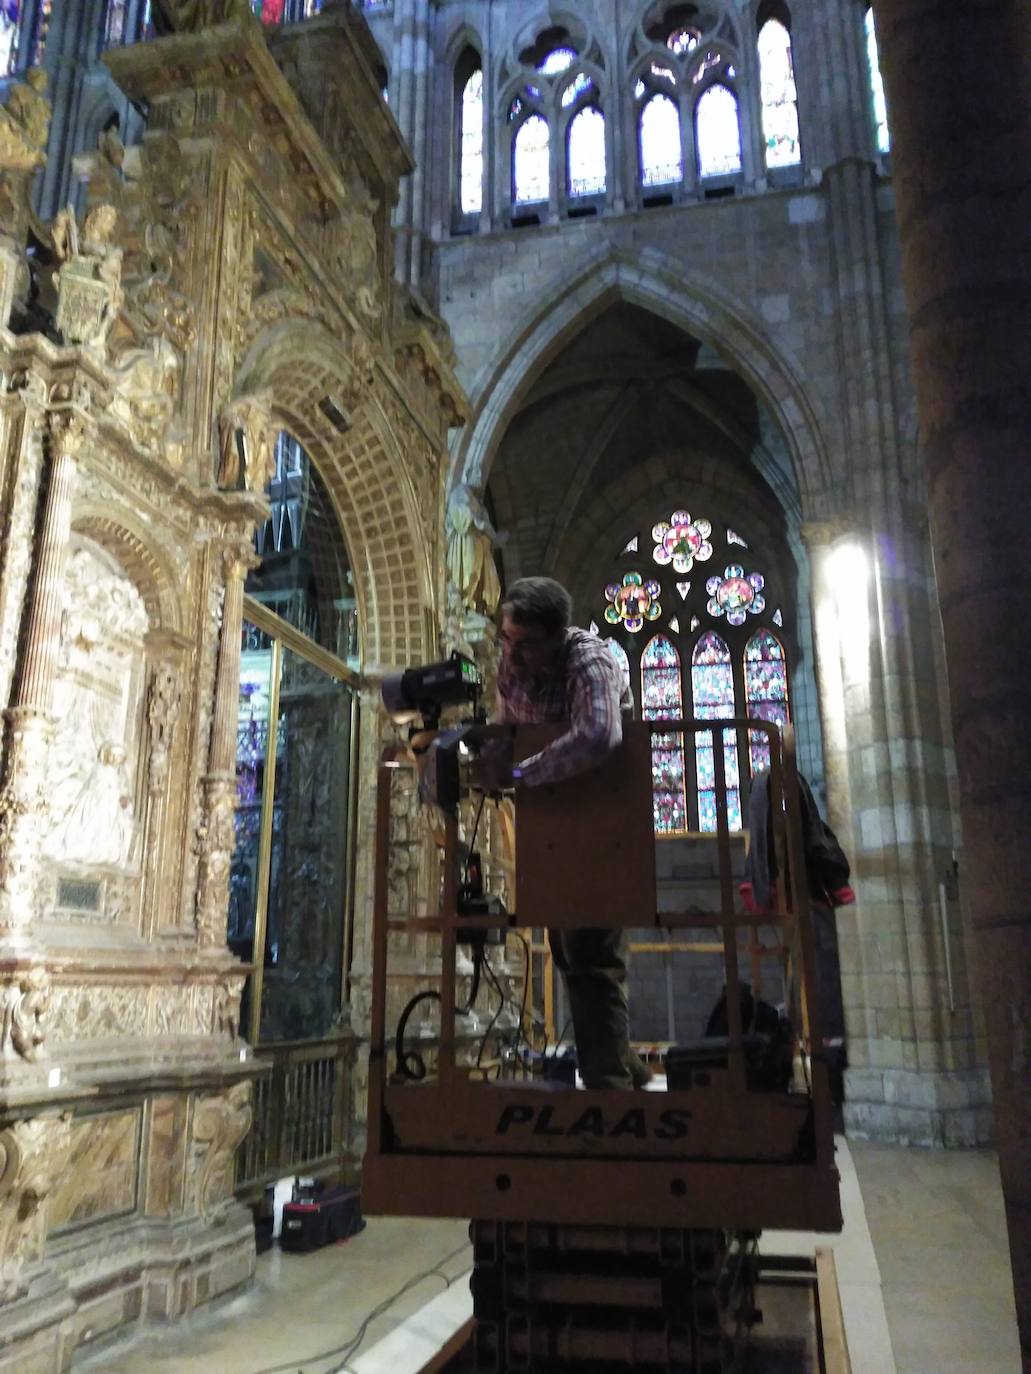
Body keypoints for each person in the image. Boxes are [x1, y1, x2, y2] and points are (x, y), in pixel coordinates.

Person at [472, 576, 651, 1091]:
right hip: (553, 821)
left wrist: (522, 774)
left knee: (594, 952)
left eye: (525, 644)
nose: (512, 654)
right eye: (507, 639)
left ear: (557, 635)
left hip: (602, 821)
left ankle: (608, 1089)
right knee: (570, 950)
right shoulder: (513, 660)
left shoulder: (589, 659)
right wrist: (488, 755)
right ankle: (622, 1064)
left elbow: (599, 735)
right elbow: (509, 722)